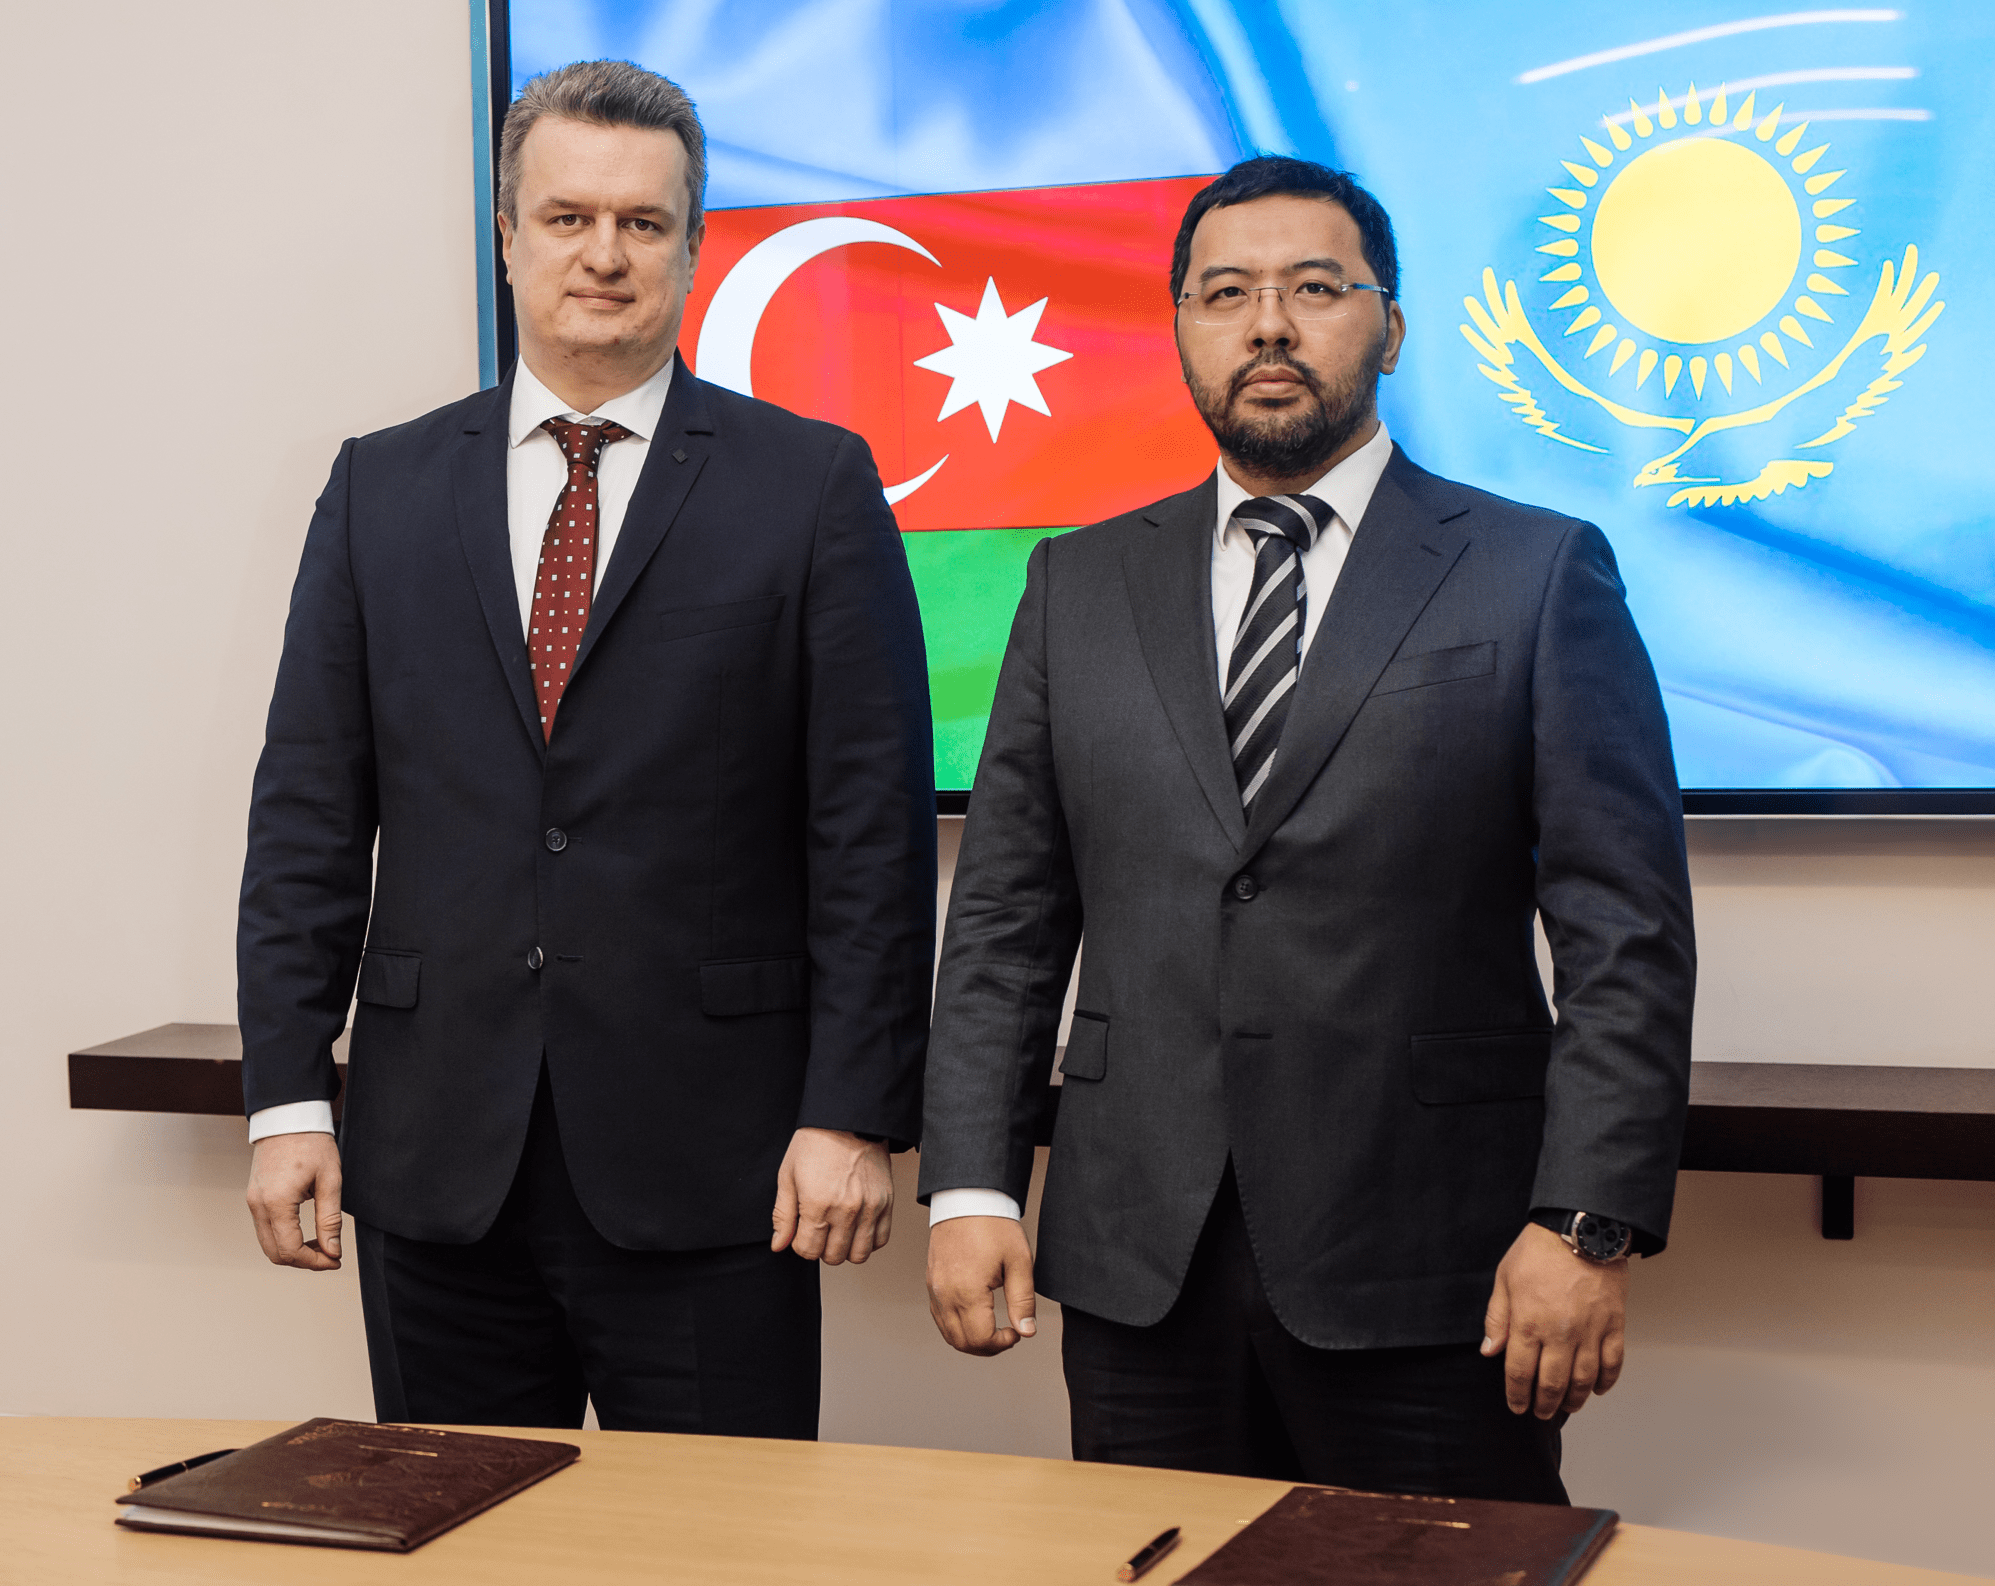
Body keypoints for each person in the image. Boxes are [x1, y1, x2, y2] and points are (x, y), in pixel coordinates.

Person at [918, 156, 1695, 1501]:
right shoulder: (1078, 579)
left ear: (1389, 326)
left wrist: (1586, 1224)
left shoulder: (1534, 571)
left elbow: (1625, 934)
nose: (1268, 325)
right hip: (1138, 1260)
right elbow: (1004, 917)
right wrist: (974, 1188)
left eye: (1316, 289)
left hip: (1434, 1258)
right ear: (1181, 329)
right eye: (1226, 294)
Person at [238, 60, 935, 1438]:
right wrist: (286, 1103)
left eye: (642, 222)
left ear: (693, 245)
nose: (603, 255)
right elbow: (308, 814)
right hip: (436, 1163)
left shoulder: (811, 485)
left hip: (719, 1166)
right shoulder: (380, 486)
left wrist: (853, 1112)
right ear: (508, 238)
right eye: (567, 218)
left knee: (722, 1539)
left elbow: (871, 834)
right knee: (455, 1529)